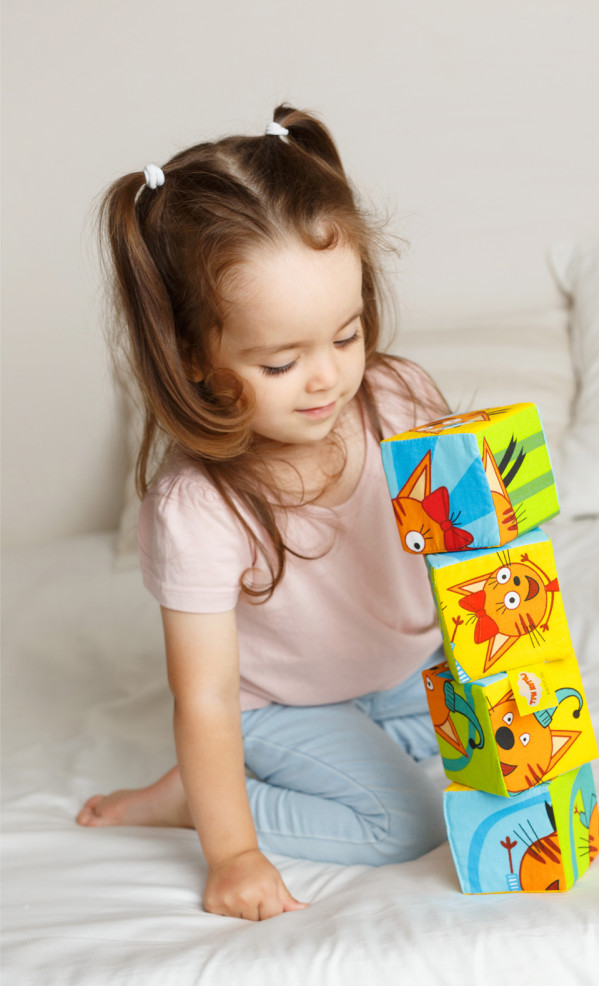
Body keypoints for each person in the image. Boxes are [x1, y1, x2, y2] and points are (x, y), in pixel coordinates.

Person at [76, 105, 450, 922]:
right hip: (278, 707)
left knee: (501, 720)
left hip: (396, 674)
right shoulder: (197, 507)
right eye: (281, 362)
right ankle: (199, 799)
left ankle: (344, 746)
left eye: (346, 336)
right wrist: (234, 854)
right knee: (408, 824)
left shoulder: (401, 399)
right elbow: (207, 696)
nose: (327, 380)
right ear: (194, 358)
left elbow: (463, 548)